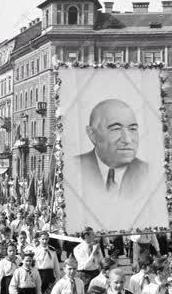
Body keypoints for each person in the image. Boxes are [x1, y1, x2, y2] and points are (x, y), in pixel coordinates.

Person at [65, 99, 155, 231]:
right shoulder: (74, 169)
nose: (127, 139)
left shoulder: (149, 173)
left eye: (133, 129)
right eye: (116, 129)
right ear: (92, 134)